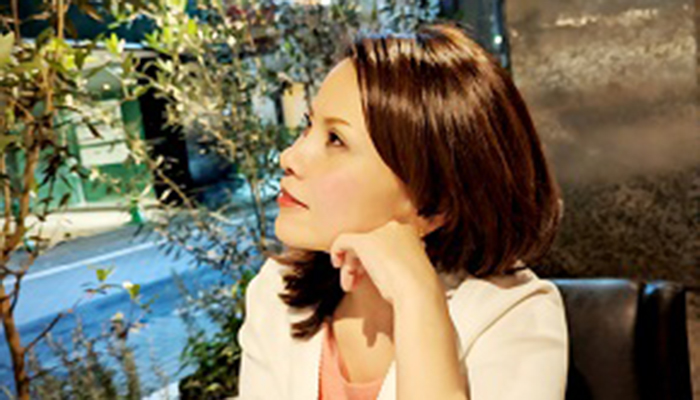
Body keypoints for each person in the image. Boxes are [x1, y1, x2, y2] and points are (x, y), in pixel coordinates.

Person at [237, 22, 568, 400]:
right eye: (308, 126)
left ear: (435, 204)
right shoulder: (276, 291)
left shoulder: (516, 317)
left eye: (336, 140)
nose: (289, 157)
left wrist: (418, 299)